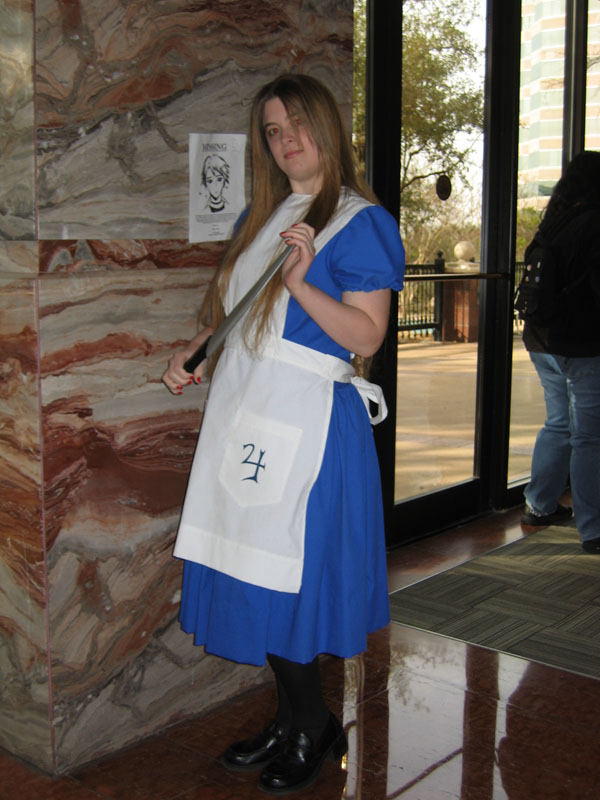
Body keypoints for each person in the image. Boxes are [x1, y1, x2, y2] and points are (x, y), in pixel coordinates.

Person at [162, 73, 405, 794]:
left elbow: (367, 334)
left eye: (297, 123)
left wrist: (301, 284)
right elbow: (238, 314)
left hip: (310, 427)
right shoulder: (263, 214)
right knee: (251, 570)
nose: (285, 140)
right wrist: (197, 348)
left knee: (287, 578)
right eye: (272, 130)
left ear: (325, 127)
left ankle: (313, 723)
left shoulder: (360, 221)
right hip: (247, 415)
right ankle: (294, 718)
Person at [520, 150, 600, 554]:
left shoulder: (552, 223)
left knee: (558, 424)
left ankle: (539, 505)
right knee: (589, 438)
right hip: (581, 345)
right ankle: (593, 529)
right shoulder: (595, 224)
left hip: (541, 341)